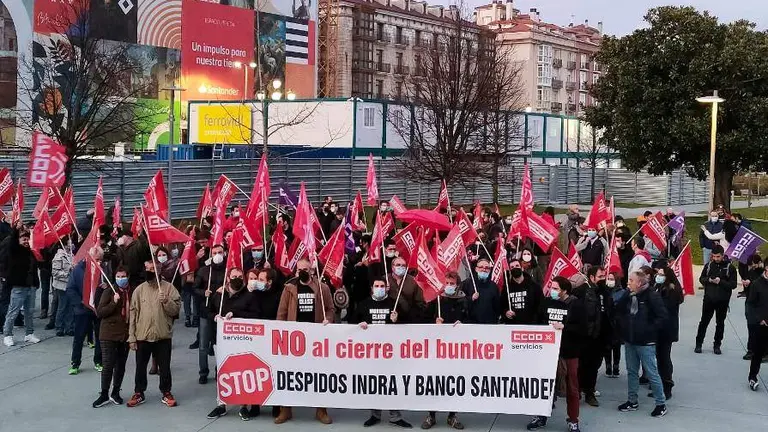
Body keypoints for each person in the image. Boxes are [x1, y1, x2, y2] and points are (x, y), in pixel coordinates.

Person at [275, 259, 334, 424]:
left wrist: (328, 319)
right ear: (296, 271)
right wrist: (281, 334)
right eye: (300, 269)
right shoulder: (289, 288)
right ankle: (285, 409)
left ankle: (321, 410)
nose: (303, 271)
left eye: (306, 269)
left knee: (319, 374)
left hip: (316, 340)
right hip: (293, 339)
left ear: (312, 271)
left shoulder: (323, 289)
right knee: (288, 374)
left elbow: (330, 309)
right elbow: (282, 313)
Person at [527, 277, 585, 432]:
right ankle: (541, 415)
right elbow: (538, 320)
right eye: (551, 288)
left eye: (555, 288)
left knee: (572, 388)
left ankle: (573, 420)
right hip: (548, 351)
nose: (552, 291)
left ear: (564, 290)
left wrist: (564, 326)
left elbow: (582, 328)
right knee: (544, 385)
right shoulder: (546, 303)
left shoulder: (576, 305)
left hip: (569, 352)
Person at [206, 267, 262, 421]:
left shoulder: (249, 296)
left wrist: (237, 315)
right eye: (233, 276)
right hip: (221, 340)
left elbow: (255, 314)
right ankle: (221, 404)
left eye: (239, 276)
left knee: (242, 371)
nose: (236, 278)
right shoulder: (219, 295)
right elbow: (208, 311)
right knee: (222, 370)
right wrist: (215, 317)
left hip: (242, 341)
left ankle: (243, 405)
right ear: (228, 278)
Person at [357, 279, 412, 429]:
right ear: (372, 288)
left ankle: (395, 416)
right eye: (377, 286)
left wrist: (397, 320)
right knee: (375, 383)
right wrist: (359, 325)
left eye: (382, 286)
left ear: (386, 289)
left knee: (392, 383)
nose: (379, 288)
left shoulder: (394, 304)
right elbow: (352, 322)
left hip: (391, 353)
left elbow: (408, 325)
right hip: (371, 353)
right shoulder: (364, 304)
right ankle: (375, 414)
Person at [126, 258, 181, 408]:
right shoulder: (139, 290)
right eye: (147, 269)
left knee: (164, 367)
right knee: (140, 367)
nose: (149, 272)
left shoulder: (169, 288)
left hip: (162, 335)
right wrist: (131, 337)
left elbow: (176, 310)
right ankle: (139, 392)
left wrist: (167, 301)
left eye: (152, 269)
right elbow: (133, 314)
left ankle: (166, 392)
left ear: (159, 271)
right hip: (142, 336)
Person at [615, 271, 668, 418]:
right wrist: (624, 325)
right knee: (632, 371)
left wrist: (648, 329)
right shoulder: (628, 294)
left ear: (639, 283)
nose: (628, 282)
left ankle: (660, 403)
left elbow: (662, 317)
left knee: (652, 372)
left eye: (631, 280)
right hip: (630, 340)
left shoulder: (652, 296)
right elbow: (618, 310)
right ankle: (632, 401)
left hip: (645, 342)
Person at [422, 272, 467, 430]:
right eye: (446, 282)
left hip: (455, 350)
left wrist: (463, 323)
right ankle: (431, 415)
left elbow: (470, 319)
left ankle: (452, 416)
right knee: (435, 382)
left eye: (452, 283)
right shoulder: (437, 300)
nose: (448, 285)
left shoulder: (463, 300)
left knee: (453, 383)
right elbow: (423, 319)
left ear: (457, 285)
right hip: (437, 350)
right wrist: (434, 322)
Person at [93, 267, 131, 408]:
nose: (121, 279)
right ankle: (104, 394)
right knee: (108, 364)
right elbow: (100, 312)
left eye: (123, 276)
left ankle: (115, 392)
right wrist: (114, 302)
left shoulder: (130, 292)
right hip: (109, 334)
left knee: (121, 365)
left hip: (125, 334)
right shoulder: (109, 291)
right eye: (118, 276)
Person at [66, 246, 105, 375]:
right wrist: (79, 303)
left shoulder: (103, 270)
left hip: (98, 309)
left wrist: (106, 289)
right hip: (83, 309)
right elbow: (71, 289)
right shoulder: (78, 270)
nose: (99, 262)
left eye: (100, 259)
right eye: (96, 259)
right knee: (79, 337)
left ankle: (98, 361)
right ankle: (75, 363)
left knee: (100, 337)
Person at [192, 244, 226, 383]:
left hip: (222, 312)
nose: (217, 255)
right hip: (206, 311)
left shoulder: (228, 269)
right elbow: (195, 288)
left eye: (220, 252)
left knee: (221, 345)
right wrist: (203, 292)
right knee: (203, 345)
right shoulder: (204, 270)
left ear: (224, 253)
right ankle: (203, 372)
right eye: (215, 252)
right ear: (210, 255)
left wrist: (227, 288)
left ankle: (220, 371)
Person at [2, 225, 41, 347]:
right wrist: (15, 229)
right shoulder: (14, 251)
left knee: (29, 312)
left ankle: (29, 334)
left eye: (27, 239)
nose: (26, 241)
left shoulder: (31, 252)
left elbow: (34, 269)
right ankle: (7, 335)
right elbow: (12, 241)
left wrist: (36, 283)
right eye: (23, 239)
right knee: (13, 312)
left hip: (31, 287)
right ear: (18, 240)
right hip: (18, 287)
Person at [695, 245, 736, 355]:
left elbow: (733, 284)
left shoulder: (729, 268)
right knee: (704, 322)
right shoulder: (708, 266)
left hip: (722, 301)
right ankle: (698, 343)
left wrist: (720, 282)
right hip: (709, 299)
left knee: (720, 323)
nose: (716, 259)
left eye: (718, 256)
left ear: (723, 255)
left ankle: (717, 345)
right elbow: (701, 279)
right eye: (713, 256)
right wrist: (709, 280)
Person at [652, 266, 683, 399]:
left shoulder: (672, 291)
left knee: (664, 358)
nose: (658, 276)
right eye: (658, 274)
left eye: (661, 274)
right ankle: (659, 386)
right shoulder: (658, 288)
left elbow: (665, 309)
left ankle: (667, 385)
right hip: (658, 330)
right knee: (658, 358)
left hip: (666, 330)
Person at [577, 266, 606, 407]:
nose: (603, 279)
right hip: (584, 336)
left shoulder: (604, 291)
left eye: (604, 276)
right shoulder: (581, 291)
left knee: (594, 366)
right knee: (582, 365)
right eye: (600, 277)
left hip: (599, 336)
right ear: (592, 277)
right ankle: (579, 390)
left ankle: (590, 392)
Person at [746, 263, 768, 391]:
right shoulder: (757, 284)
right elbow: (751, 305)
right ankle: (752, 377)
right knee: (758, 353)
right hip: (762, 325)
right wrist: (760, 319)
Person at [500, 259, 542, 325]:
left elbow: (540, 306)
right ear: (510, 271)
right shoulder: (506, 288)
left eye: (517, 265)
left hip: (531, 325)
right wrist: (506, 313)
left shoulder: (534, 286)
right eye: (512, 267)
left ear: (522, 268)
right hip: (512, 325)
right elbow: (502, 306)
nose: (515, 268)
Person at [387, 256, 425, 323]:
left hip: (409, 319)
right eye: (398, 265)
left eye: (403, 265)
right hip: (389, 317)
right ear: (392, 267)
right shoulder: (385, 279)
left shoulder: (413, 281)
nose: (401, 267)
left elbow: (420, 302)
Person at [462, 259, 499, 324]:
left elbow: (497, 306)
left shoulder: (493, 286)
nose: (484, 269)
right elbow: (460, 302)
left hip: (489, 324)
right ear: (476, 269)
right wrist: (471, 298)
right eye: (481, 267)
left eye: (487, 268)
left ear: (490, 270)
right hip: (471, 324)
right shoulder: (467, 283)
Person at [49, 239, 74, 334]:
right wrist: (67, 272)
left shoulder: (71, 255)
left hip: (71, 285)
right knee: (62, 307)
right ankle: (59, 327)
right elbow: (55, 272)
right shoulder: (59, 257)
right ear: (65, 245)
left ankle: (69, 328)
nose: (72, 245)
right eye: (69, 243)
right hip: (62, 286)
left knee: (70, 307)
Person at [603, 272, 624, 378]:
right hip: (606, 321)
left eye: (612, 279)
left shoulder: (621, 292)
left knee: (616, 346)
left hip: (617, 323)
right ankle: (608, 366)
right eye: (609, 278)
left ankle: (616, 366)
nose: (609, 281)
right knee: (607, 346)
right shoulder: (605, 291)